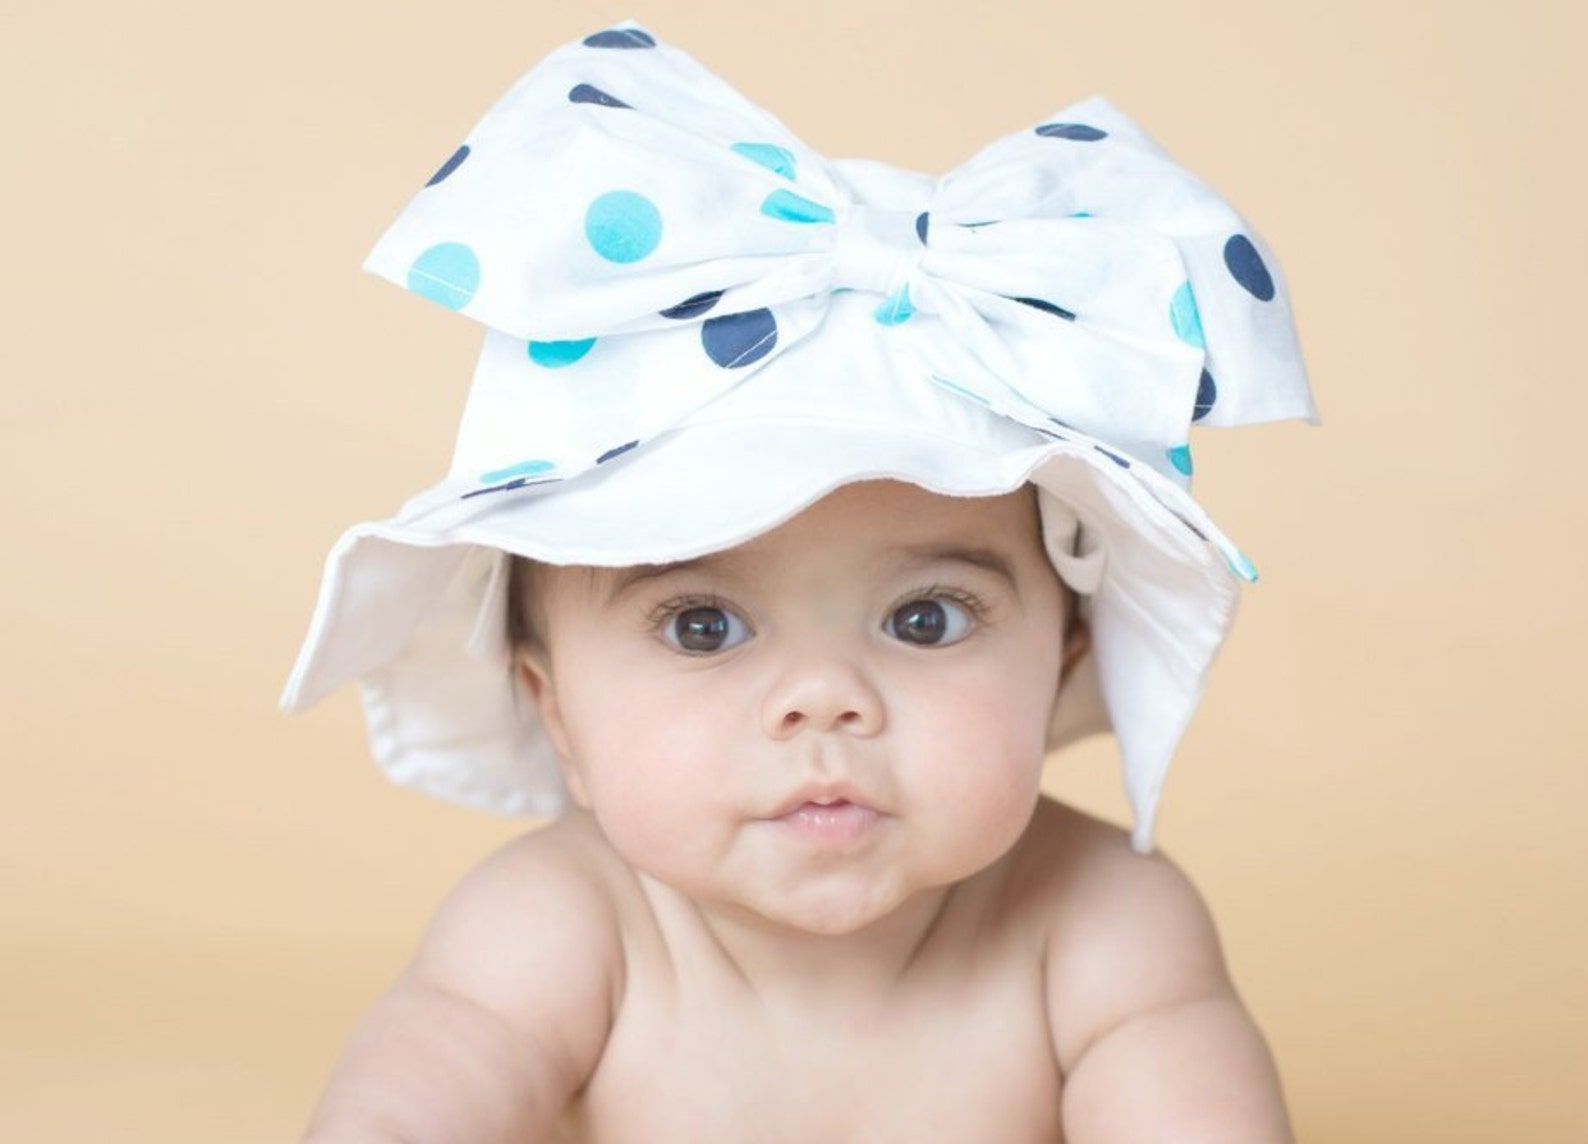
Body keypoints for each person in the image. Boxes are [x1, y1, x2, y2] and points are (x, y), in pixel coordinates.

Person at [282, 22, 1318, 1142]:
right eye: (702, 626)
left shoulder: (1104, 925)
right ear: (556, 713)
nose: (824, 697)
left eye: (925, 620)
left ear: (1063, 660)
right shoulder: (559, 925)